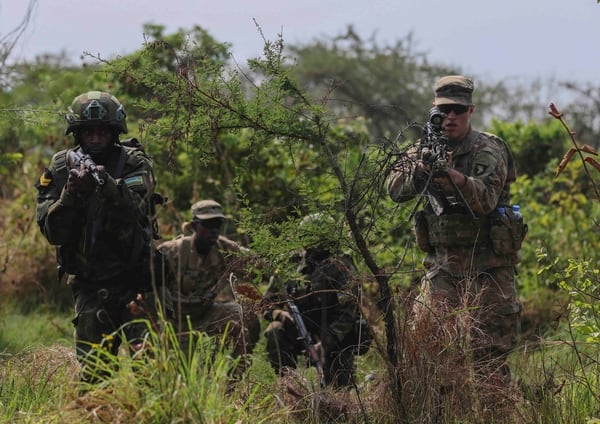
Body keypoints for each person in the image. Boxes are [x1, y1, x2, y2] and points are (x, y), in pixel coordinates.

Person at [387, 75, 525, 389]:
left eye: (458, 110)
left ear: (470, 111)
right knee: (430, 349)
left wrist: (455, 178)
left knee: (489, 359)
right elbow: (393, 190)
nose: (450, 117)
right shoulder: (422, 149)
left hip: (488, 267)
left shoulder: (488, 149)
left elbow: (487, 200)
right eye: (444, 110)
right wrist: (418, 172)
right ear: (434, 109)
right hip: (443, 268)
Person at [35, 91, 169, 383]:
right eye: (88, 131)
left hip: (137, 282)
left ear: (114, 132)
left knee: (150, 372)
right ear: (78, 133)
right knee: (96, 376)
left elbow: (137, 209)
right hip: (89, 284)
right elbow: (51, 231)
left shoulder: (134, 162)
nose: (95, 138)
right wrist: (70, 195)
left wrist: (105, 184)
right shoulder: (60, 168)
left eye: (103, 131)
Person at [263, 214, 372, 389]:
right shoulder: (290, 264)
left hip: (335, 334)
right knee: (275, 331)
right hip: (299, 327)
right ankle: (289, 385)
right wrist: (279, 313)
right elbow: (266, 302)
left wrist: (326, 342)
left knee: (339, 391)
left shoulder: (342, 266)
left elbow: (347, 314)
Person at [157, 199, 260, 366]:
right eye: (208, 224)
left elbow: (259, 266)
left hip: (206, 314)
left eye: (217, 224)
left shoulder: (225, 249)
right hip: (176, 322)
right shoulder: (171, 251)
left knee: (244, 314)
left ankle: (234, 380)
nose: (213, 230)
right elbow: (148, 286)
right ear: (195, 226)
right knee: (182, 374)